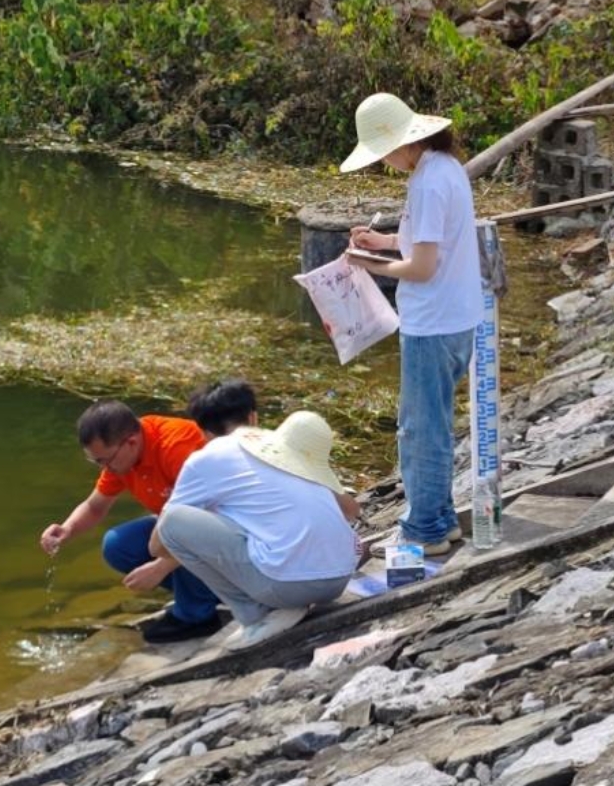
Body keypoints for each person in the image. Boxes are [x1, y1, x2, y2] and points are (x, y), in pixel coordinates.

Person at [341, 92, 483, 557]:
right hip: (459, 318)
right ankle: (442, 520)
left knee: (419, 430)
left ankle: (424, 529)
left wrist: (368, 263)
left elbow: (421, 268)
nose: (385, 163)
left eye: (384, 154)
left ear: (402, 144)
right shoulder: (446, 167)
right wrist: (384, 241)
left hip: (432, 323)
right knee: (435, 423)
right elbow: (430, 240)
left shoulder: (425, 183)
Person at [38, 382, 257, 643]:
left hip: (235, 532)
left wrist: (160, 567)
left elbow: (213, 518)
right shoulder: (122, 460)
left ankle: (196, 616)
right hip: (189, 528)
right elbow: (95, 505)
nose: (103, 467)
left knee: (170, 540)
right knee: (118, 545)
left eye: (103, 460)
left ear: (130, 442)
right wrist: (67, 529)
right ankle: (209, 593)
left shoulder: (176, 449)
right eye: (96, 461)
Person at [150, 410, 361, 651]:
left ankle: (257, 615)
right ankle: (280, 600)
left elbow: (156, 545)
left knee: (173, 522)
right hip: (339, 579)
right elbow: (353, 510)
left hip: (290, 587)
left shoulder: (211, 458)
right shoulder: (306, 471)